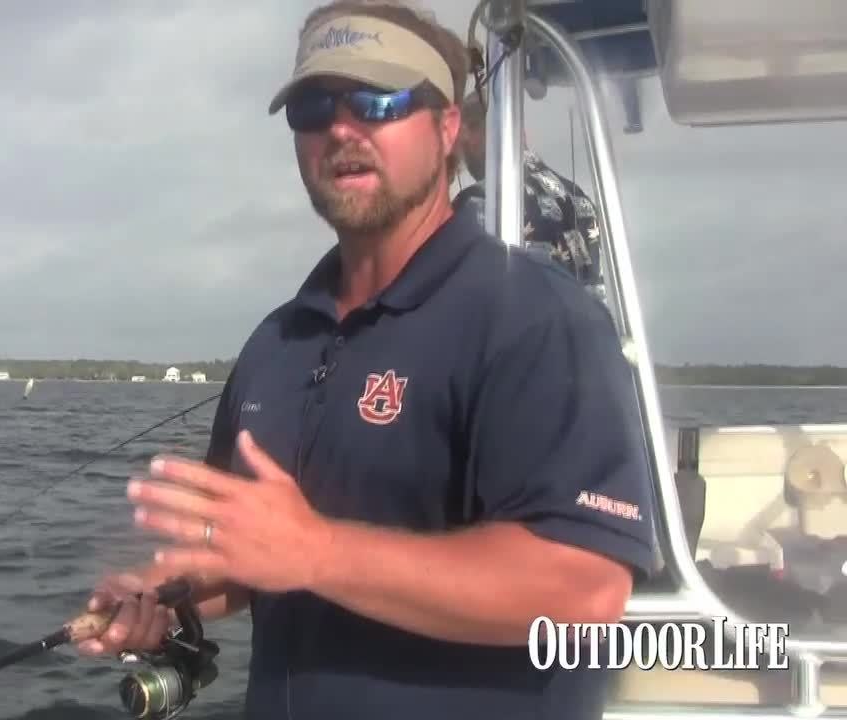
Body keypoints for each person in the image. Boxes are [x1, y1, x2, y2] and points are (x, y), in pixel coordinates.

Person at [79, 2, 656, 718]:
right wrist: (166, 594)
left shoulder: (539, 319)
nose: (342, 130)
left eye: (379, 101)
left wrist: (316, 550)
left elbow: (583, 592)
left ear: (447, 127)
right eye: (315, 107)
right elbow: (253, 559)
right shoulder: (277, 342)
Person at [454, 90, 608, 302]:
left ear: (467, 135)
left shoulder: (474, 203)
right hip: (591, 322)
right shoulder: (578, 196)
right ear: (522, 132)